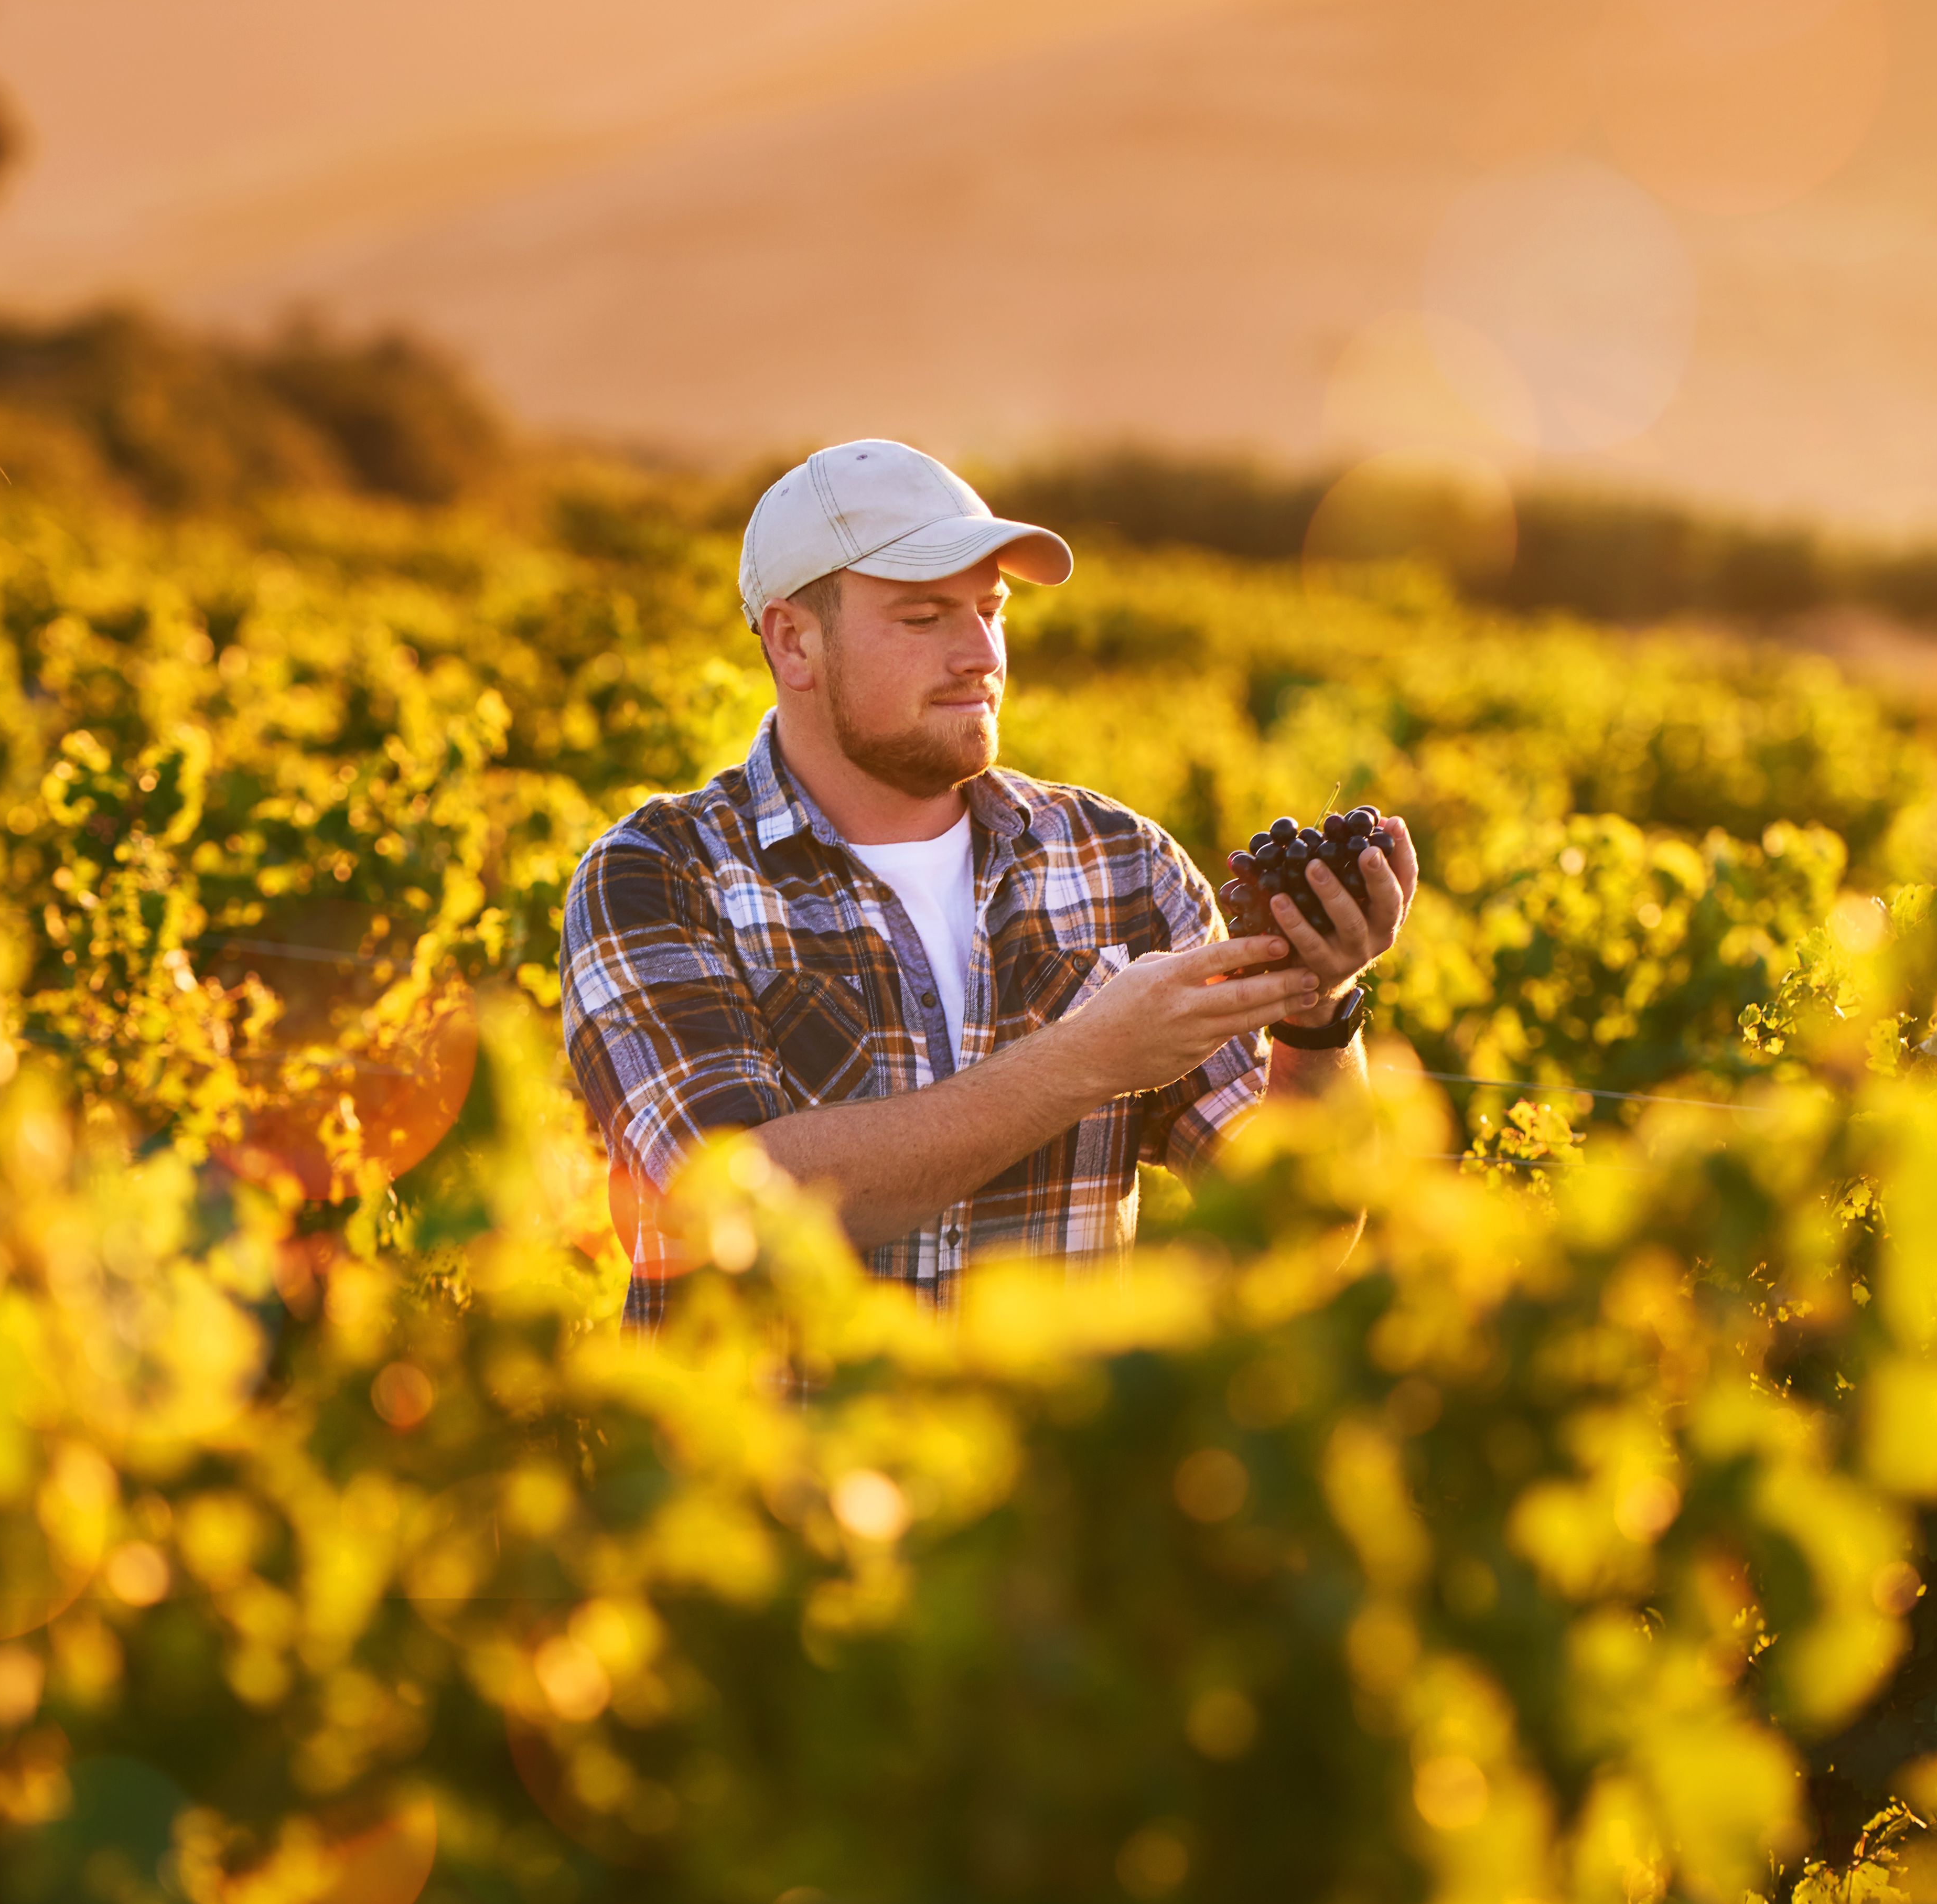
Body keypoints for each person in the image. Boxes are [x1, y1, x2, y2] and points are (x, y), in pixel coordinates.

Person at [559, 439, 1415, 1328]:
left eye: (990, 610)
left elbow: (1290, 1236)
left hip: (1042, 1471)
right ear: (793, 641)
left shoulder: (1122, 862)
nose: (980, 655)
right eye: (923, 619)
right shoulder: (658, 875)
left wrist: (1318, 1020)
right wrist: (1090, 1060)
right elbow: (731, 1201)